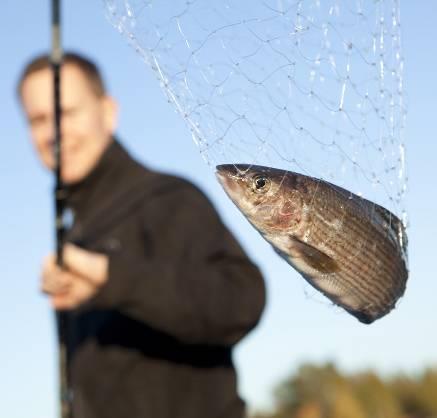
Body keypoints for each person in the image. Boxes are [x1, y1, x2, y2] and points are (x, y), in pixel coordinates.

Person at [18, 52, 266, 418]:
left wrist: (110, 277)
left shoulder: (167, 198)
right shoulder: (76, 234)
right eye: (38, 120)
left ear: (108, 112)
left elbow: (242, 300)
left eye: (66, 112)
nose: (53, 132)